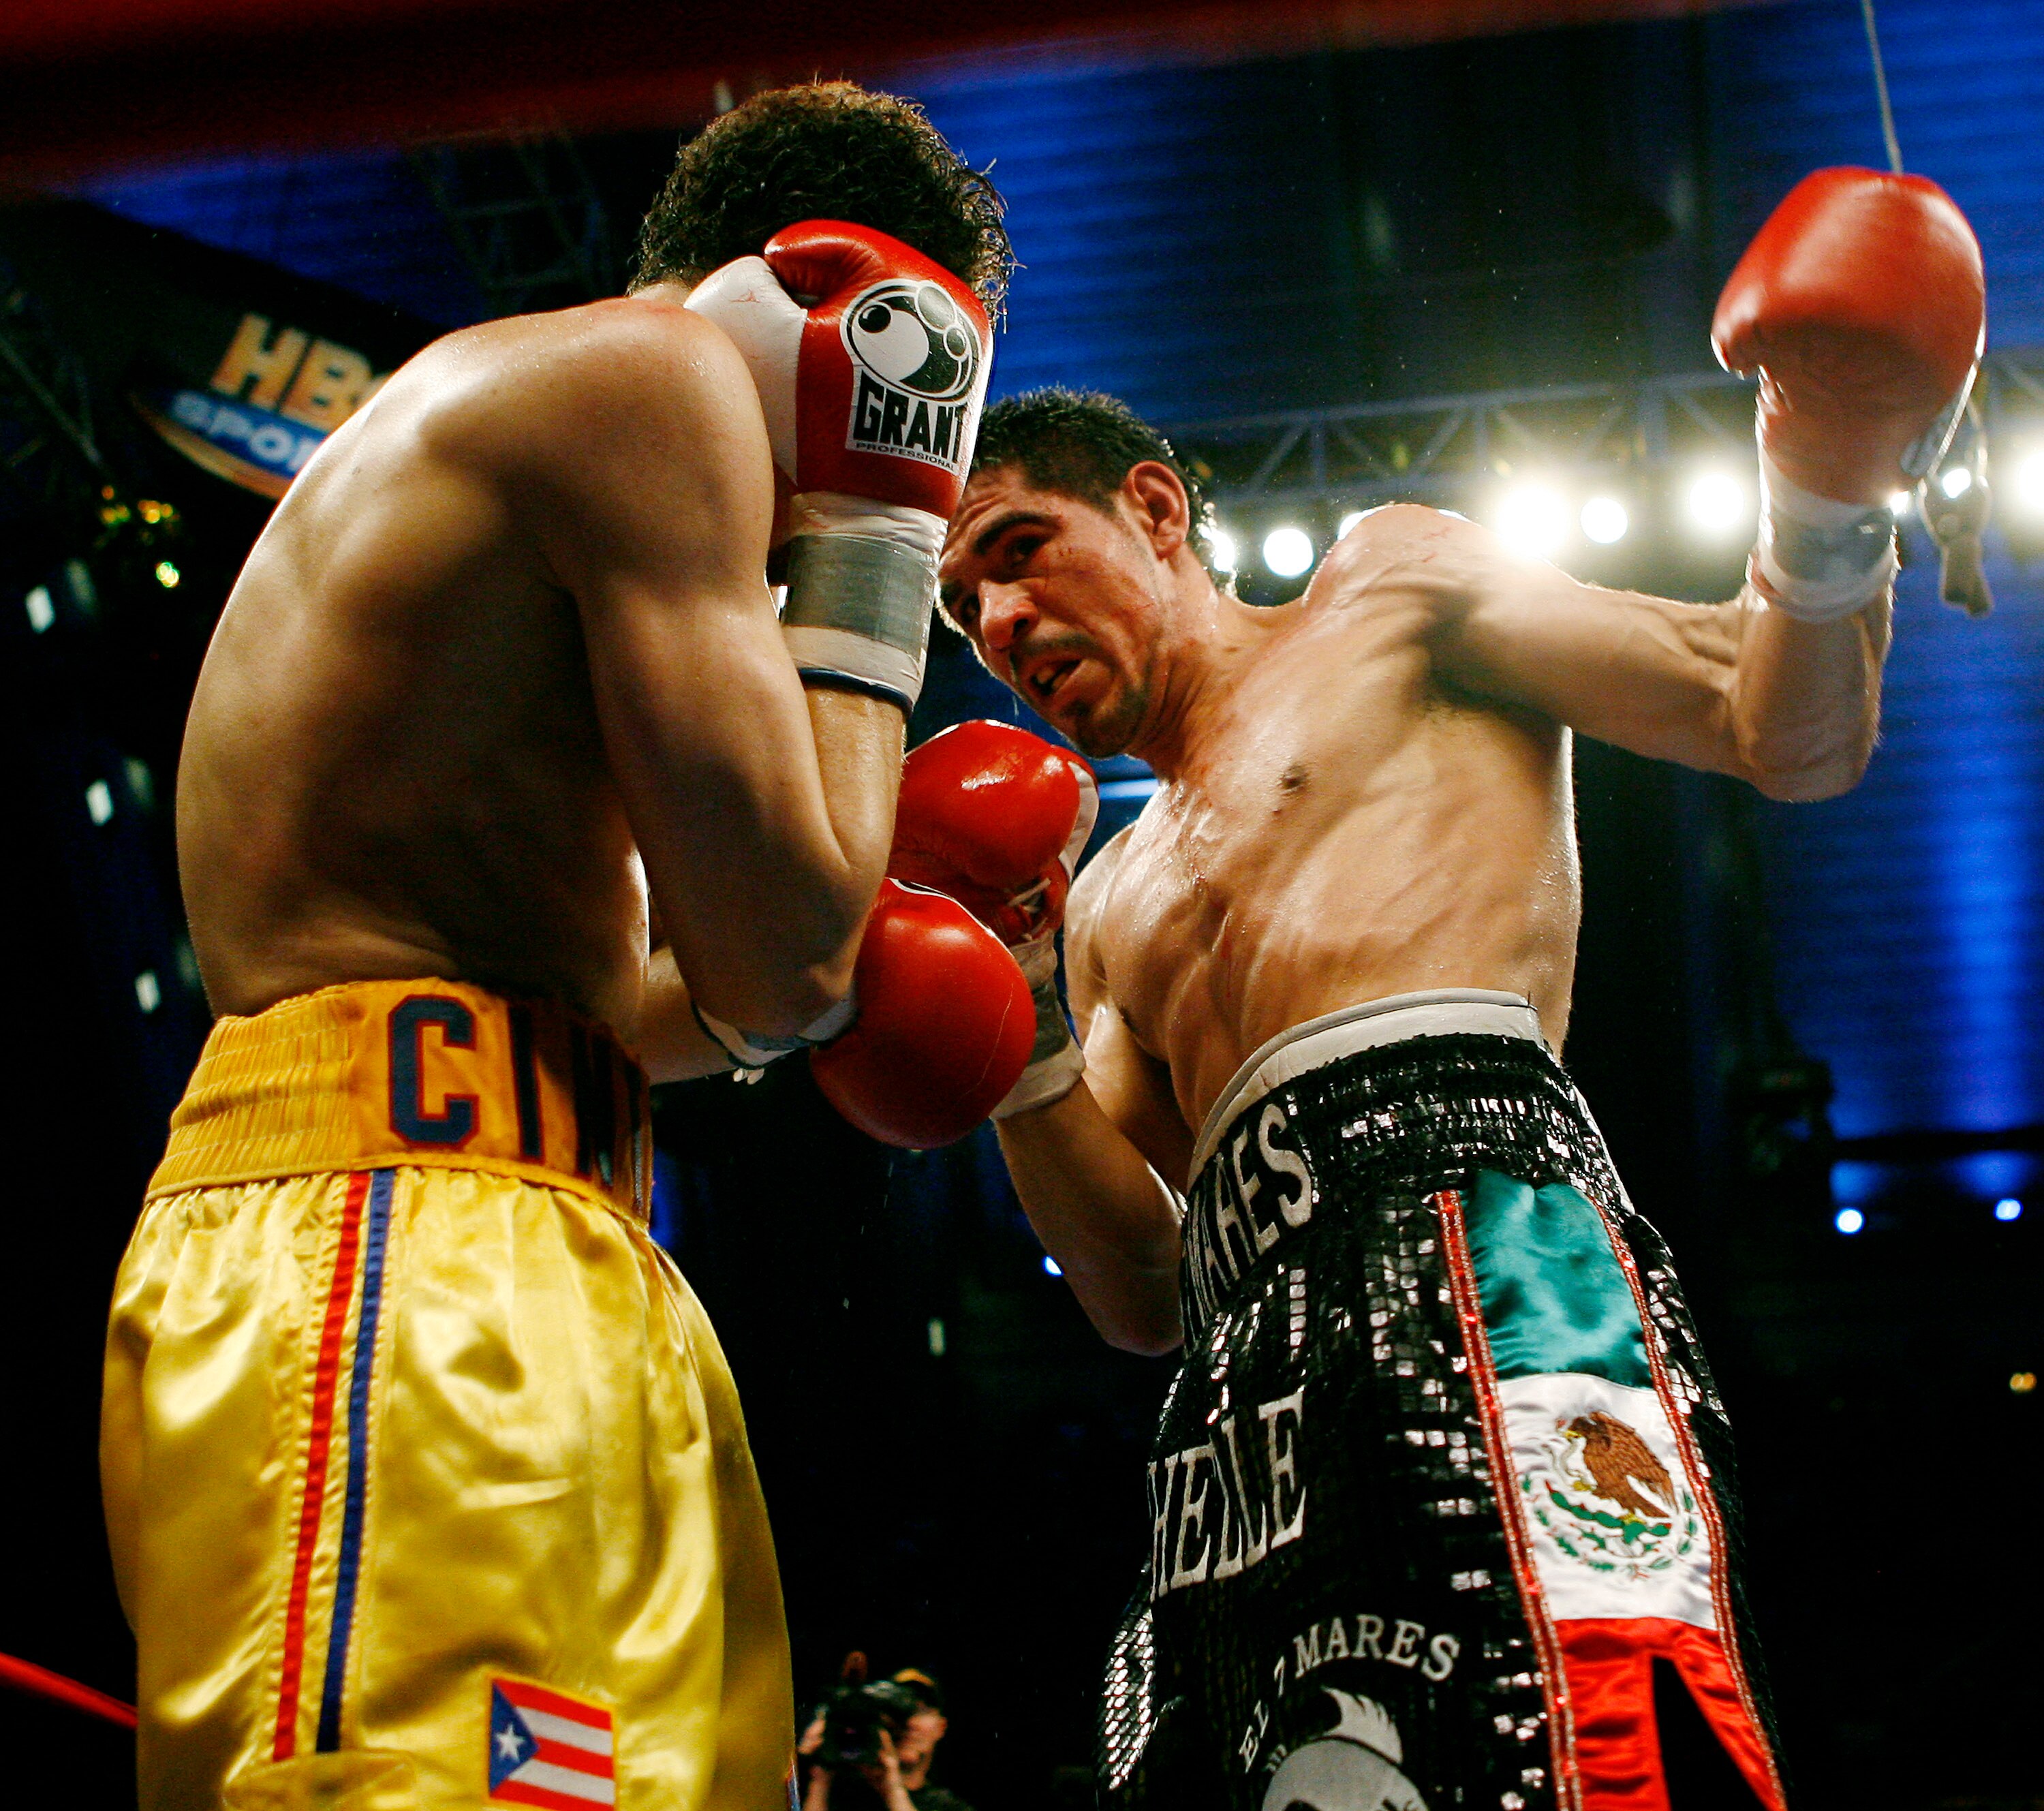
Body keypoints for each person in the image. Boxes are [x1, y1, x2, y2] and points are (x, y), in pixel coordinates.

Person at [910, 168, 1983, 1810]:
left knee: (1565, 1736)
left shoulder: (1385, 592)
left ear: (1150, 505)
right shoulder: (1104, 899)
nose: (994, 618)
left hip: (1479, 1241)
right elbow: (1137, 1289)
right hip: (1243, 1380)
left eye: (1014, 550)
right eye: (960, 603)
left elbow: (1784, 729)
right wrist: (1017, 1023)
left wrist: (1822, 478)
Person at [102, 83, 1015, 1811]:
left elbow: (659, 1004)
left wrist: (849, 971)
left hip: (537, 1222)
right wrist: (879, 542)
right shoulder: (643, 381)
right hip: (396, 1248)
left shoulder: (575, 472)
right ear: (864, 318)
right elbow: (788, 956)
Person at [797, 1668, 970, 1811]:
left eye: (921, 1712)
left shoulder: (948, 1806)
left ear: (941, 1727)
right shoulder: (844, 1794)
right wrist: (819, 1769)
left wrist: (892, 1788)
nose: (908, 1723)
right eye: (896, 1713)